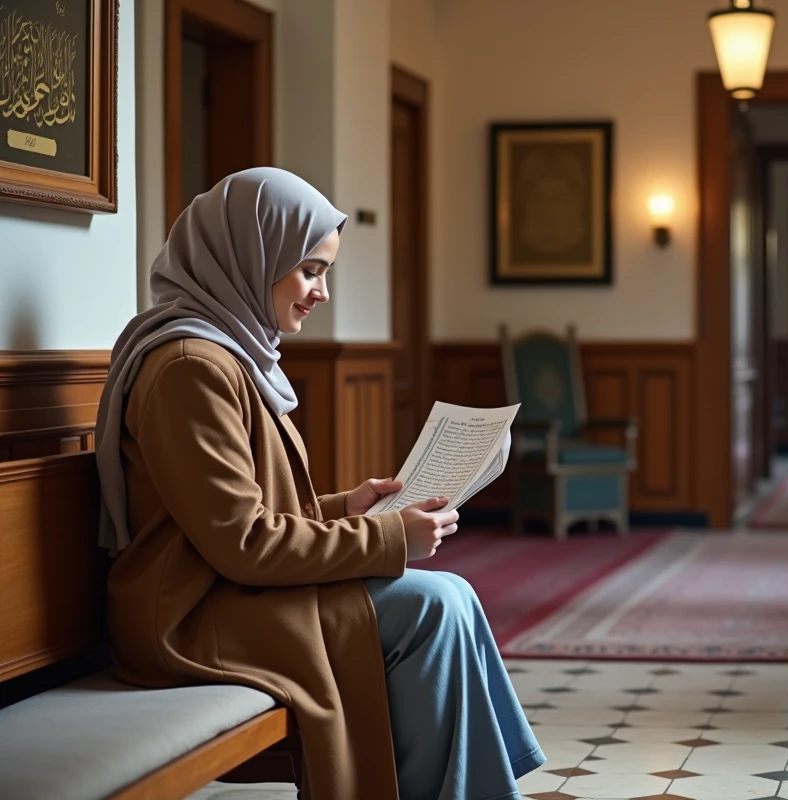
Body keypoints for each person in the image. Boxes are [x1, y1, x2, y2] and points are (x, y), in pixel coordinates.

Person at [94, 167, 543, 799]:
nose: (320, 293)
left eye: (323, 272)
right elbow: (242, 543)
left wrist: (344, 507)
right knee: (433, 605)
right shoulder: (191, 368)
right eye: (310, 270)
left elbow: (240, 516)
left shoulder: (227, 355)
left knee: (452, 598)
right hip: (194, 616)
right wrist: (386, 537)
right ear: (249, 257)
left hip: (230, 593)